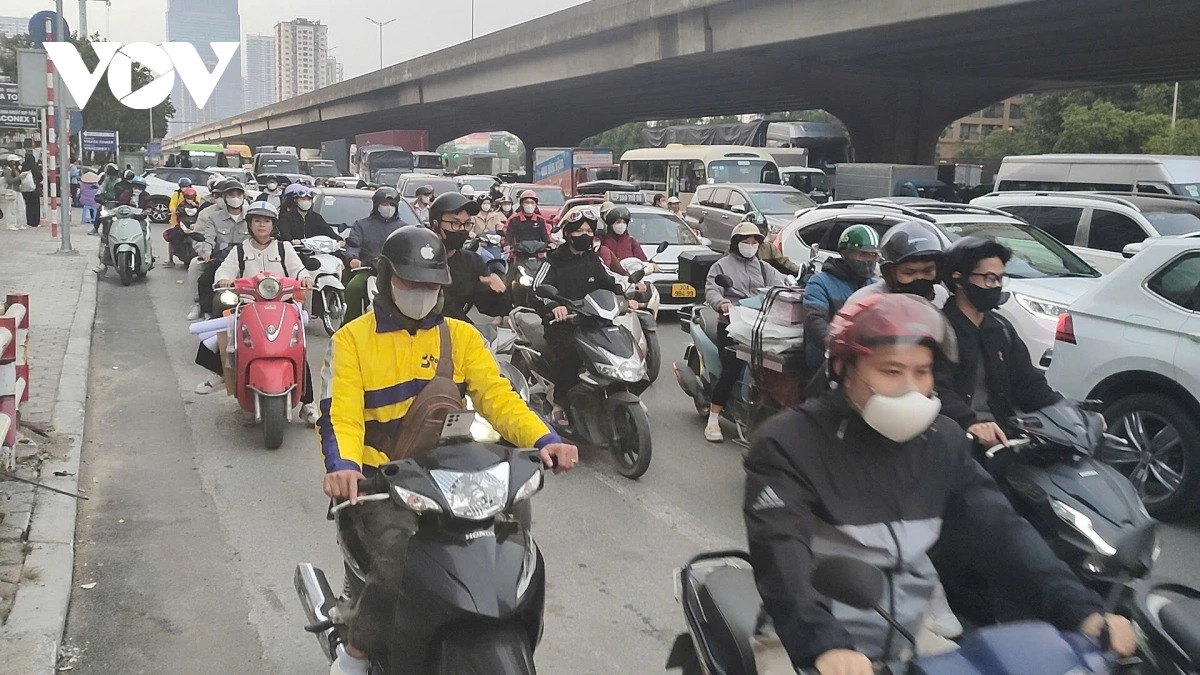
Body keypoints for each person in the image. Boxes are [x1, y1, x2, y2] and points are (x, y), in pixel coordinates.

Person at [743, 293, 1136, 675]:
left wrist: (1080, 609)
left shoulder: (942, 441)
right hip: (807, 643)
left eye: (922, 372)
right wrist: (823, 644)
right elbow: (781, 553)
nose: (910, 388)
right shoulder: (789, 443)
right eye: (891, 371)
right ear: (843, 369)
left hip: (908, 634)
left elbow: (1001, 531)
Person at [318, 226, 579, 675]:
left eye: (430, 283)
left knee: (512, 543)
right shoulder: (352, 341)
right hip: (382, 481)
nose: (421, 292)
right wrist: (344, 467)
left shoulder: (460, 336)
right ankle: (355, 654)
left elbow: (499, 397)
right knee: (398, 562)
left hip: (452, 476)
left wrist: (546, 440)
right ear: (386, 278)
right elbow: (339, 415)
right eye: (410, 281)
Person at [196, 201, 318, 424]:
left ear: (273, 225)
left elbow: (298, 269)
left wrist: (305, 278)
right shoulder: (239, 250)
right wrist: (223, 279)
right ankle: (221, 372)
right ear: (250, 224)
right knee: (221, 336)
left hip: (283, 307)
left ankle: (308, 403)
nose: (262, 225)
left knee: (297, 347)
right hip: (248, 306)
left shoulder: (284, 248)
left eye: (266, 221)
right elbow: (225, 270)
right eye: (257, 221)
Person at [935, 236, 1061, 448]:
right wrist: (970, 422)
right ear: (959, 278)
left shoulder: (1001, 328)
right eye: (989, 278)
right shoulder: (939, 329)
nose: (996, 286)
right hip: (956, 442)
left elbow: (1029, 383)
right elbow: (936, 389)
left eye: (1001, 279)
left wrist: (1067, 411)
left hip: (1006, 440)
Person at [532, 208, 635, 427]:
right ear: (568, 234)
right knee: (570, 354)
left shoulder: (593, 259)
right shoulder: (553, 260)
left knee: (619, 345)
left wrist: (626, 297)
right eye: (579, 231)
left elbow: (611, 281)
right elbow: (537, 288)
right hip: (562, 323)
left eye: (588, 231)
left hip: (594, 321)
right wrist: (554, 305)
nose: (584, 235)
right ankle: (559, 404)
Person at [702, 221, 788, 442]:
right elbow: (712, 290)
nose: (750, 245)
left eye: (754, 242)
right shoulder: (721, 266)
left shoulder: (762, 267)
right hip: (731, 324)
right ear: (736, 243)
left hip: (758, 325)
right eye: (745, 241)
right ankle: (713, 419)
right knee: (731, 368)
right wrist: (722, 303)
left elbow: (780, 283)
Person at [802, 225, 879, 370]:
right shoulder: (820, 282)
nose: (869, 260)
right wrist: (839, 346)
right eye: (863, 254)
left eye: (873, 255)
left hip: (866, 361)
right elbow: (814, 320)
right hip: (827, 363)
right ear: (845, 254)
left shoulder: (874, 286)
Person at [429, 192, 510, 322]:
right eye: (455, 223)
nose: (461, 229)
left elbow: (488, 307)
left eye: (466, 224)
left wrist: (497, 291)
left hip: (455, 329)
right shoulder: (420, 256)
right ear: (435, 224)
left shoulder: (472, 262)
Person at [343, 187, 408, 325]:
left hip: (396, 272)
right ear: (376, 205)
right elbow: (353, 244)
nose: (388, 208)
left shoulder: (405, 228)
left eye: (391, 205)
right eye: (384, 204)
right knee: (353, 288)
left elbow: (409, 250)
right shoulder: (361, 225)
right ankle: (350, 325)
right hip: (368, 269)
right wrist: (353, 258)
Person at [847, 220, 949, 306]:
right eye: (909, 273)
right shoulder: (865, 302)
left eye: (927, 271)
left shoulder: (940, 296)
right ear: (891, 274)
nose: (919, 277)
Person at [188, 179, 248, 320]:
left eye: (238, 195)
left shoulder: (251, 215)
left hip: (246, 259)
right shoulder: (212, 217)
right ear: (224, 197)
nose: (235, 198)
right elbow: (208, 237)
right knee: (204, 280)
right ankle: (204, 309)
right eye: (231, 195)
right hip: (221, 259)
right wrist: (207, 250)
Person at [599, 206, 655, 272]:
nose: (621, 225)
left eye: (624, 222)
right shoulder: (603, 240)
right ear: (611, 224)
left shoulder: (631, 241)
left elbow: (642, 261)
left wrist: (651, 265)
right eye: (618, 222)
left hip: (628, 276)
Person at [743, 211, 799, 275]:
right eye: (754, 230)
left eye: (761, 231)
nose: (758, 234)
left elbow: (783, 263)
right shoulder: (737, 249)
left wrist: (799, 270)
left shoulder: (769, 248)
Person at [163, 186, 201, 267]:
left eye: (191, 197)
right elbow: (174, 208)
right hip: (182, 225)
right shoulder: (181, 205)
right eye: (188, 198)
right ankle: (170, 260)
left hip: (194, 225)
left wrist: (197, 206)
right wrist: (174, 211)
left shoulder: (199, 205)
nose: (189, 199)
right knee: (171, 237)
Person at [20, 151, 41, 228]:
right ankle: (35, 222)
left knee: (28, 206)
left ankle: (29, 221)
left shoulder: (23, 167)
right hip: (34, 190)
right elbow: (40, 177)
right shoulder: (33, 167)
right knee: (35, 206)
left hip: (25, 190)